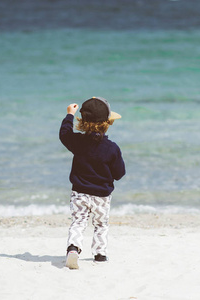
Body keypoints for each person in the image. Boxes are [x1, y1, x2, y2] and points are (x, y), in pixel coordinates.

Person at [59, 96, 126, 269]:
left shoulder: (77, 142)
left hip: (79, 192)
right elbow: (119, 174)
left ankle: (73, 249)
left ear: (83, 122)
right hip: (101, 196)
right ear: (107, 123)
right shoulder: (112, 148)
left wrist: (69, 115)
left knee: (79, 222)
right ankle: (100, 254)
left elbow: (64, 134)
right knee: (101, 224)